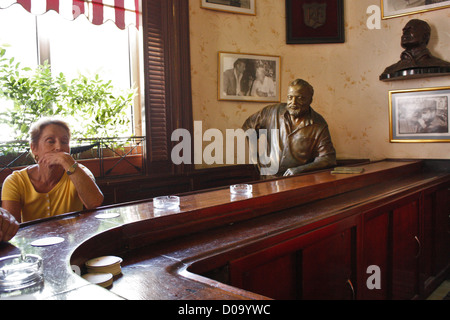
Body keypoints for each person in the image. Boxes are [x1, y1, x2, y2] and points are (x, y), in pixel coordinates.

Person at [1, 117, 104, 236]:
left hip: (73, 244)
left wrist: (67, 162)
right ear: (34, 147)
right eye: (50, 141)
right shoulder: (15, 181)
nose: (59, 147)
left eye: (64, 142)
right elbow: (10, 229)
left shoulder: (78, 171)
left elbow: (95, 203)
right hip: (34, 247)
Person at [242, 79, 336, 177]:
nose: (293, 102)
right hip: (267, 178)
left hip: (297, 181)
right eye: (290, 97)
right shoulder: (271, 112)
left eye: (300, 98)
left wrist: (300, 169)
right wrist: (254, 156)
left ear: (310, 100)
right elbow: (248, 126)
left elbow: (328, 158)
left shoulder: (318, 125)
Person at [381, 19, 450, 78]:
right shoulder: (390, 70)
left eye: (410, 30)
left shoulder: (441, 65)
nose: (405, 34)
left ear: (425, 36)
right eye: (404, 31)